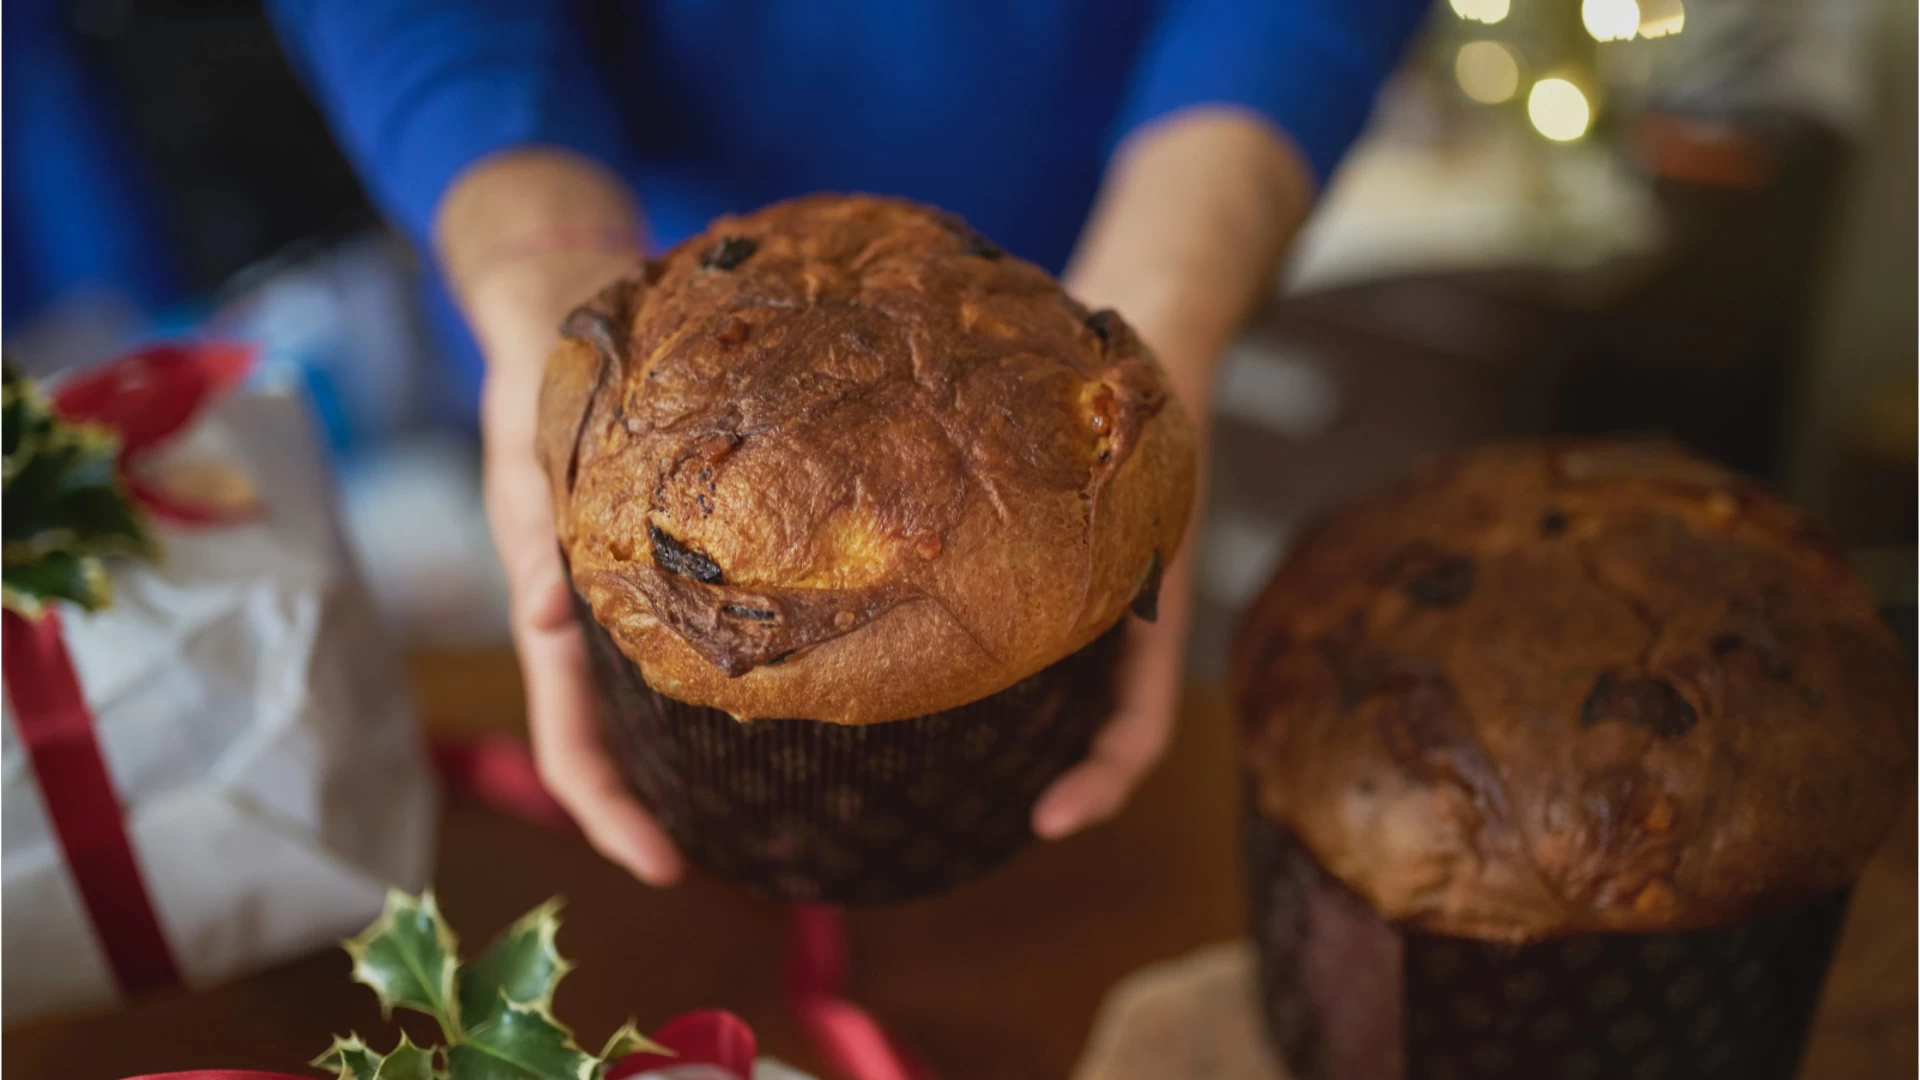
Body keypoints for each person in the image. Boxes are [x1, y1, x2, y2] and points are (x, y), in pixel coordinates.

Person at [268, 0, 1430, 887]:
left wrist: (1169, 299)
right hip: (612, 307)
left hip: (1100, 270)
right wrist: (542, 266)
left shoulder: (1111, 411)